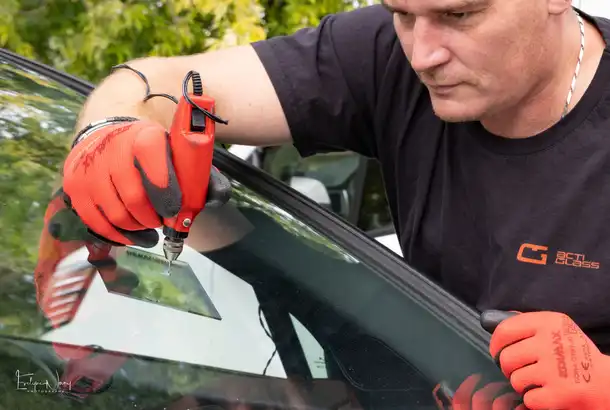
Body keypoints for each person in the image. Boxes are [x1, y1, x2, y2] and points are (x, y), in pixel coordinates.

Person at [56, 0, 610, 408]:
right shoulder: (385, 55)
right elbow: (158, 82)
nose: (423, 55)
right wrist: (106, 133)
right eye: (402, 14)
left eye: (460, 15)